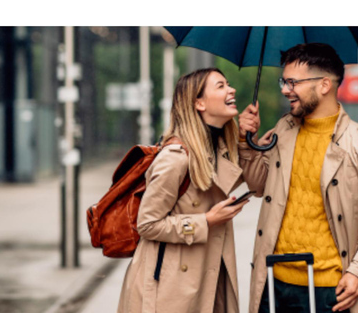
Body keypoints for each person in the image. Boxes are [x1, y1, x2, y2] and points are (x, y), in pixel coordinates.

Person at [117, 68, 250, 313]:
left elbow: (252, 182)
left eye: (228, 84)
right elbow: (147, 224)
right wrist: (206, 221)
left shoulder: (216, 149)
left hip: (205, 275)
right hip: (168, 287)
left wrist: (246, 139)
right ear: (199, 103)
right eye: (221, 86)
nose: (231, 90)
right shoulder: (175, 158)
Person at [239, 43, 358, 313]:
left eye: (292, 82)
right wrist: (246, 142)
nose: (284, 89)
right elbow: (259, 186)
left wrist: (356, 273)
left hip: (331, 289)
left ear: (324, 85)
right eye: (284, 81)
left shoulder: (354, 142)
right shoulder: (284, 127)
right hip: (274, 280)